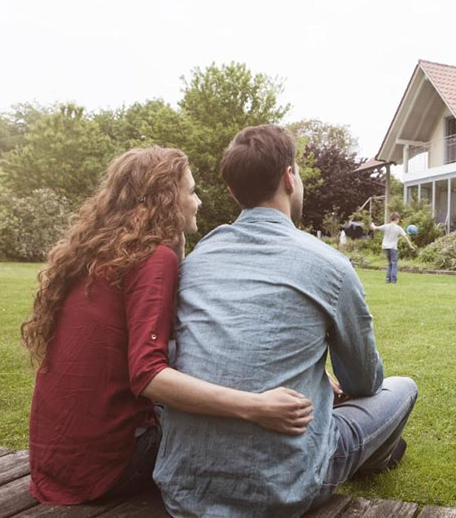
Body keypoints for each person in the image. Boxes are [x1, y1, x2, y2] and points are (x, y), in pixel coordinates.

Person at [23, 146, 313, 505]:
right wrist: (256, 406)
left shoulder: (101, 253)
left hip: (55, 463)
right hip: (108, 468)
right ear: (165, 200)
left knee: (184, 355)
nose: (199, 202)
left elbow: (177, 334)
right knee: (230, 430)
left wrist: (177, 247)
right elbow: (149, 376)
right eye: (191, 192)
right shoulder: (151, 258)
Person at [154, 125, 418, 517]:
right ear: (289, 177)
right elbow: (364, 382)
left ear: (232, 192)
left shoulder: (199, 259)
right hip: (284, 486)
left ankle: (374, 448)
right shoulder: (329, 264)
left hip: (184, 486)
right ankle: (376, 455)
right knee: (401, 388)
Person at [371, 212, 416, 283]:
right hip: (393, 248)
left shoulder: (386, 226)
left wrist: (372, 224)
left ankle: (388, 279)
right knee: (394, 263)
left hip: (386, 247)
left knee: (390, 263)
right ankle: (394, 280)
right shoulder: (399, 228)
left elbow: (375, 228)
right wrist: (411, 246)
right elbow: (405, 237)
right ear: (397, 219)